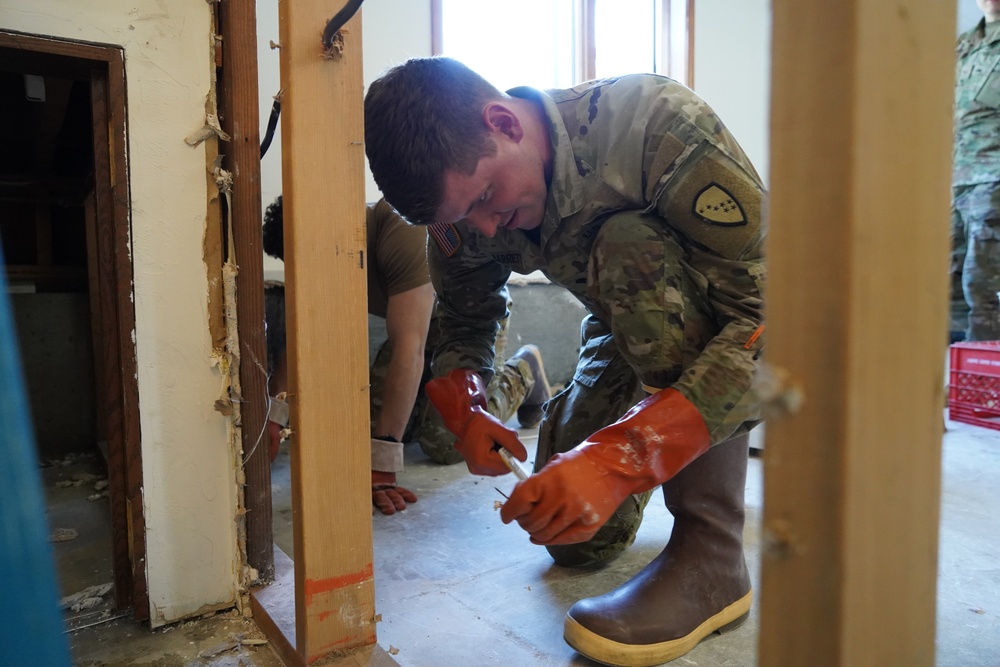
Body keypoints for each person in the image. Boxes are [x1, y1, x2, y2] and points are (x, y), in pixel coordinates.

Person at [364, 57, 765, 666]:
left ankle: (713, 553)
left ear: (504, 122)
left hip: (722, 328)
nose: (483, 225)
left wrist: (625, 457)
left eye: (488, 198)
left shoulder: (655, 125)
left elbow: (777, 318)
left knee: (628, 241)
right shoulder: (465, 210)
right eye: (462, 217)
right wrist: (469, 403)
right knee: (575, 538)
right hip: (618, 326)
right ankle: (637, 422)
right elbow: (465, 320)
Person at [261, 195, 551, 515]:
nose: (314, 277)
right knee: (365, 430)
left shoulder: (402, 228)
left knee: (444, 443)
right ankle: (428, 404)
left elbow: (409, 350)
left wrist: (383, 463)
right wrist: (275, 414)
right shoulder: (325, 256)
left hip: (468, 328)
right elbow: (302, 331)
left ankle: (524, 372)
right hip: (416, 329)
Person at [952, 0, 1000, 343]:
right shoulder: (965, 43)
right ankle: (952, 368)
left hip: (993, 175)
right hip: (956, 176)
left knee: (980, 282)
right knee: (947, 276)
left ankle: (983, 376)